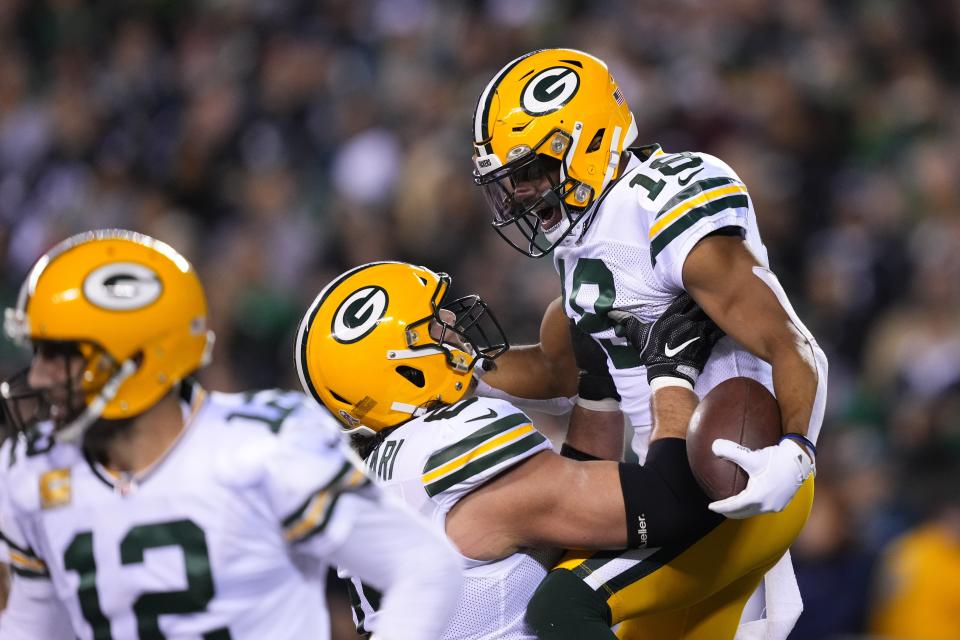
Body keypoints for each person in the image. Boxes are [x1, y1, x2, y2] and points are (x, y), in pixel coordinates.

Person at [471, 48, 828, 639]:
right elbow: (561, 372)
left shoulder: (662, 204)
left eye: (530, 173)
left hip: (739, 477)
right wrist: (458, 365)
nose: (519, 197)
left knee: (562, 607)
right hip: (673, 487)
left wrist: (795, 454)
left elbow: (792, 344)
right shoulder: (581, 236)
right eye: (509, 183)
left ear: (584, 145)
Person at [294, 260, 810, 639]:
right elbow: (664, 506)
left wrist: (596, 384)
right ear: (400, 367)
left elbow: (565, 511)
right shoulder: (447, 448)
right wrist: (671, 375)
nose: (454, 329)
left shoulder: (386, 470)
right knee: (566, 607)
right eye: (433, 327)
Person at [0, 229, 463, 640]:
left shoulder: (263, 445)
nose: (38, 377)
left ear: (137, 361)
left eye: (59, 355)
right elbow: (33, 626)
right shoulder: (28, 472)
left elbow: (423, 567)